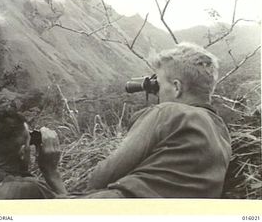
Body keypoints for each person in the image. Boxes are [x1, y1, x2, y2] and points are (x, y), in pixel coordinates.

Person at [85, 42, 232, 198]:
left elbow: (100, 177)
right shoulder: (222, 130)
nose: (158, 93)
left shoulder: (168, 111)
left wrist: (54, 175)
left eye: (159, 85)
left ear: (177, 87)